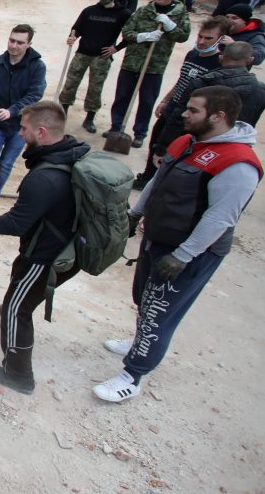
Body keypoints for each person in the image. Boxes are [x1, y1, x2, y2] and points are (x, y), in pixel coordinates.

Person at [94, 86, 261, 402]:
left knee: (160, 312)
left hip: (188, 253)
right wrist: (136, 212)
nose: (184, 113)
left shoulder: (238, 164)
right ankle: (139, 339)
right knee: (144, 296)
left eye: (194, 110)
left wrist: (184, 255)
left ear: (219, 116)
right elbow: (159, 181)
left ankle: (133, 374)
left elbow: (220, 217)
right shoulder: (187, 141)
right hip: (159, 237)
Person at [0, 102, 90, 394]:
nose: (20, 133)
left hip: (47, 257)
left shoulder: (44, 178)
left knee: (18, 308)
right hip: (61, 242)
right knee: (20, 283)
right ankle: (12, 307)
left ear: (42, 131)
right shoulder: (69, 152)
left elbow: (14, 225)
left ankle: (18, 373)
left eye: (24, 129)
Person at [135, 18, 229, 190]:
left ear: (220, 39)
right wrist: (166, 99)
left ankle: (164, 183)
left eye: (208, 38)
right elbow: (181, 80)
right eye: (200, 36)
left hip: (191, 114)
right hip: (173, 106)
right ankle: (147, 177)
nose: (201, 41)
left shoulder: (219, 64)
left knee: (176, 149)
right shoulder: (192, 54)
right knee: (156, 141)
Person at [105, 0, 192, 148]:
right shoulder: (144, 10)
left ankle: (140, 133)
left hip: (155, 66)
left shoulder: (180, 14)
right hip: (132, 62)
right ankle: (116, 127)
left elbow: (183, 36)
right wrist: (142, 36)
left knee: (147, 100)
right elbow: (127, 31)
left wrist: (170, 26)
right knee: (122, 96)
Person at [0, 25, 47, 215]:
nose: (14, 45)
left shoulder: (37, 67)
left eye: (20, 42)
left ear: (29, 44)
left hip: (22, 127)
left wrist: (13, 111)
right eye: (11, 40)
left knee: (6, 164)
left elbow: (35, 95)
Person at [60, 0, 131, 133]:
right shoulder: (89, 11)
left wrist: (116, 48)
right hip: (83, 53)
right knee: (71, 82)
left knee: (95, 88)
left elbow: (130, 34)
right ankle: (63, 112)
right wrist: (72, 37)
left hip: (102, 57)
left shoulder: (123, 14)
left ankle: (89, 119)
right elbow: (76, 28)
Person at [197, 43, 265, 125]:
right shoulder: (261, 91)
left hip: (202, 134)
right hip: (236, 136)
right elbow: (251, 123)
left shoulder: (201, 82)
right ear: (250, 60)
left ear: (221, 58)